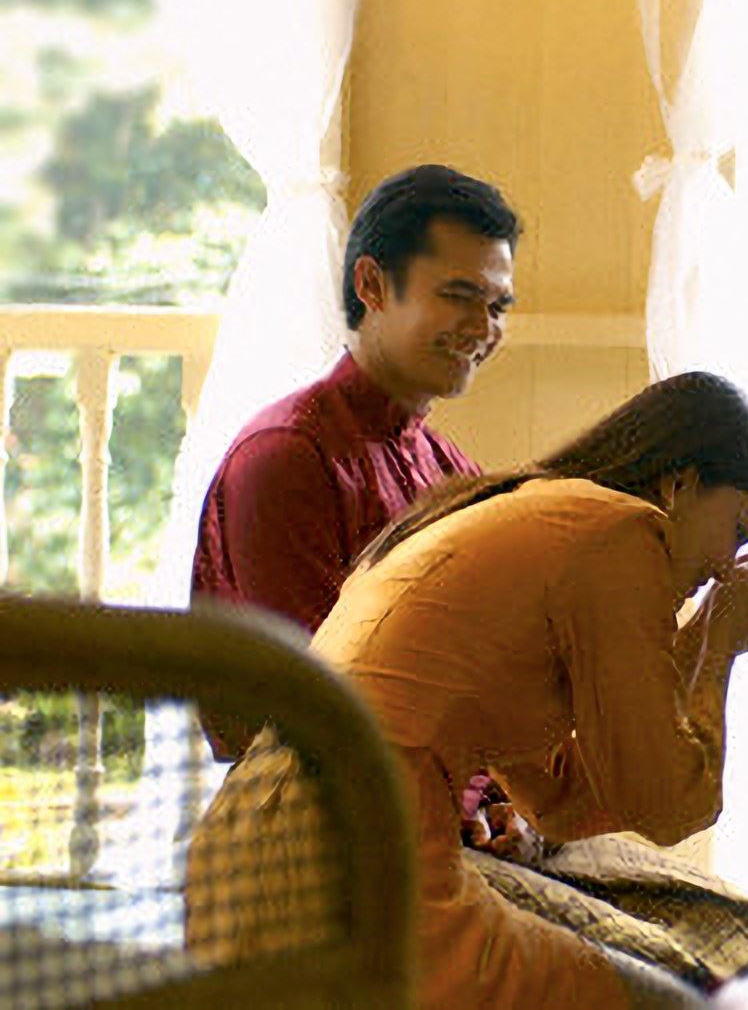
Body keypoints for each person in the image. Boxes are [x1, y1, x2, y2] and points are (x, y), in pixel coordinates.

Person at [185, 372, 748, 1008]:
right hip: (348, 864)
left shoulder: (539, 513)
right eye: (738, 530)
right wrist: (722, 639)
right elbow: (671, 804)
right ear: (679, 484)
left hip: (248, 852)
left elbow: (558, 799)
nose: (729, 567)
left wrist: (711, 637)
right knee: (670, 998)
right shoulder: (624, 533)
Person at [190, 164, 519, 760]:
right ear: (371, 285)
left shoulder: (449, 468)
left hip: (441, 800)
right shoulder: (285, 458)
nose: (484, 327)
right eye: (459, 295)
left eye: (498, 306)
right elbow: (325, 704)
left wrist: (503, 801)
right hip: (318, 821)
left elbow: (487, 675)